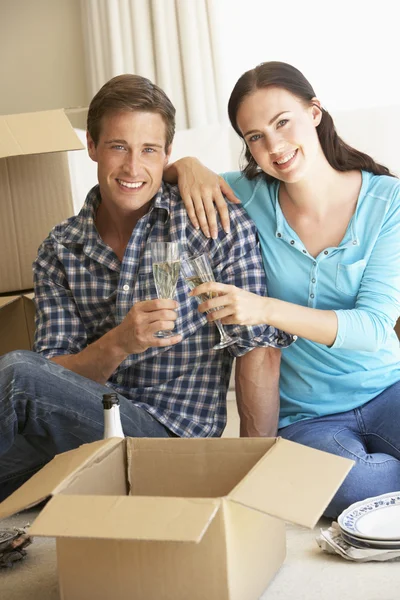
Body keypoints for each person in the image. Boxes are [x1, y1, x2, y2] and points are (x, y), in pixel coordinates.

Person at [0, 74, 293, 502]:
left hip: (170, 444)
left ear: (168, 155)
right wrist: (118, 343)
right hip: (81, 432)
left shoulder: (210, 224)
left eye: (149, 150)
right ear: (92, 147)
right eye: (119, 147)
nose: (134, 167)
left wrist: (251, 482)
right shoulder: (60, 249)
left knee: (16, 375)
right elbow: (53, 378)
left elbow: (259, 353)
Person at [164, 61, 400, 519]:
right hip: (307, 417)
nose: (273, 146)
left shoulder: (388, 202)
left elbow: (374, 329)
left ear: (314, 112)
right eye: (254, 137)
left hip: (388, 388)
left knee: (323, 488)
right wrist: (187, 166)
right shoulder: (245, 195)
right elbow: (169, 178)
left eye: (282, 122)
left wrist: (263, 309)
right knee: (354, 485)